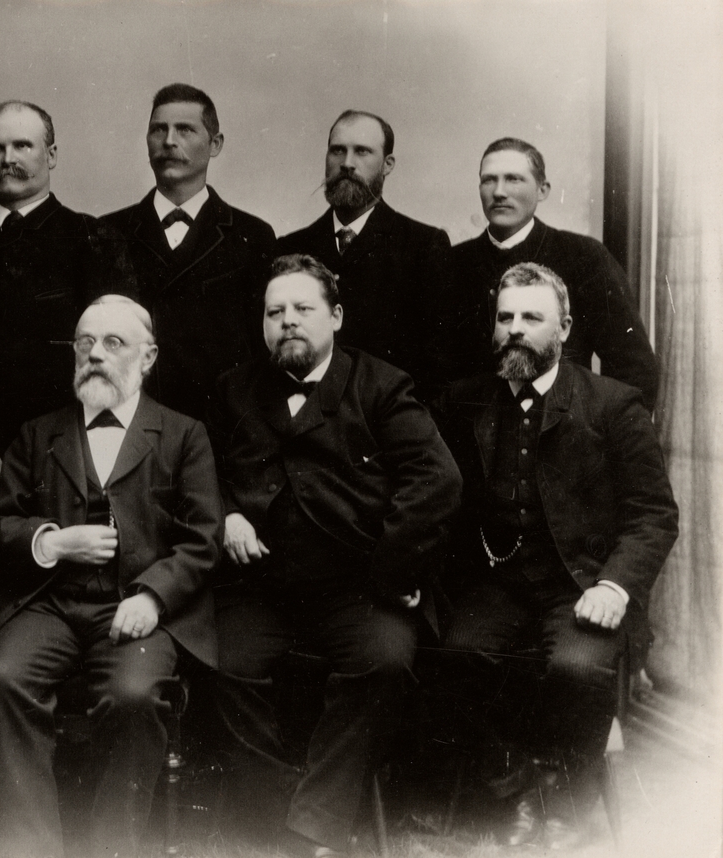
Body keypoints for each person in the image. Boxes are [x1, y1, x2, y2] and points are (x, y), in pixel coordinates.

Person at [209, 254, 462, 858]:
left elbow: (438, 480)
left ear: (337, 316)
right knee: (219, 663)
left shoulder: (382, 385)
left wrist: (390, 571)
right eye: (275, 312)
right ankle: (278, 812)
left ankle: (313, 827)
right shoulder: (235, 388)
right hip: (263, 586)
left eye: (303, 308)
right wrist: (226, 514)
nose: (288, 322)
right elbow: (197, 470)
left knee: (384, 664)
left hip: (359, 587)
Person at [433, 262, 677, 849]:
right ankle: (512, 787)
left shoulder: (613, 404)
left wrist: (615, 587)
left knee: (576, 667)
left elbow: (654, 514)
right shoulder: (465, 400)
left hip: (582, 583)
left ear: (564, 328)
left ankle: (568, 796)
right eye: (505, 317)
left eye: (532, 317)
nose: (515, 329)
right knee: (454, 654)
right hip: (498, 582)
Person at [0, 295, 222, 858]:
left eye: (114, 343)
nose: (95, 355)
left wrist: (154, 597)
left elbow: (204, 538)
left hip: (137, 609)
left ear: (149, 357)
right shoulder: (39, 433)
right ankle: (29, 849)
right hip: (49, 604)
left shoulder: (184, 435)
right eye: (85, 343)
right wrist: (51, 541)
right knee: (3, 680)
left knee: (134, 696)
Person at [0, 100, 135, 449]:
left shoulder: (91, 238)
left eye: (22, 146)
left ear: (51, 155)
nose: (7, 159)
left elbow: (118, 355)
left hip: (65, 441)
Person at [102, 83, 276, 421]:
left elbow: (263, 349)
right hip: (130, 421)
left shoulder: (253, 236)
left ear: (215, 144)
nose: (169, 141)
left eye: (185, 129)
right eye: (158, 129)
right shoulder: (109, 233)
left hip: (221, 426)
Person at [446, 137, 659, 410]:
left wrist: (607, 429)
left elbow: (634, 367)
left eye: (513, 179)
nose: (499, 192)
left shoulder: (584, 256)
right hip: (471, 428)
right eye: (489, 180)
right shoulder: (451, 262)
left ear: (542, 190)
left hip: (562, 427)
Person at [276, 110, 453, 400]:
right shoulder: (290, 247)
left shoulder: (424, 246)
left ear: (387, 164)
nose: (347, 163)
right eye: (337, 150)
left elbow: (437, 366)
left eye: (362, 151)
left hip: (386, 419)